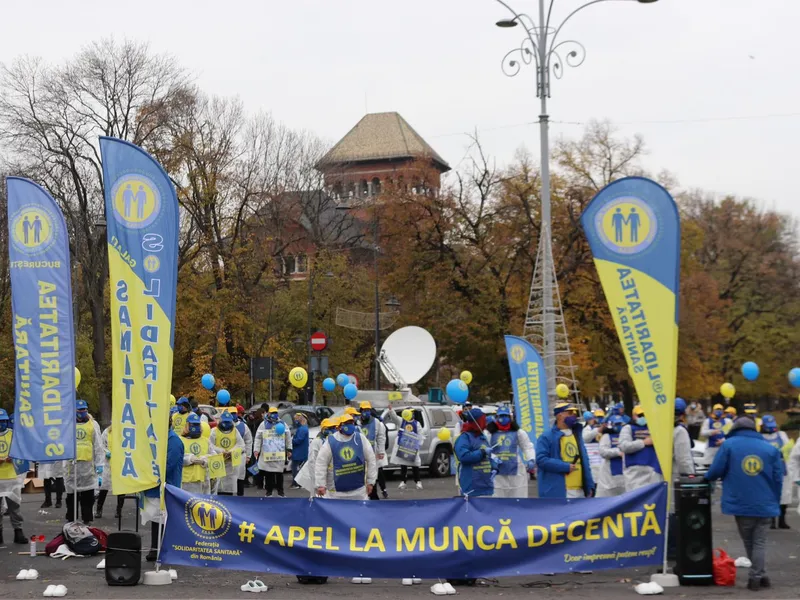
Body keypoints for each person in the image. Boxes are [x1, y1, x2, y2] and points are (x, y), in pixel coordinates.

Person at [705, 417, 782, 591]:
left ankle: (756, 577)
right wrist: (775, 501)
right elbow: (778, 479)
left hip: (741, 501)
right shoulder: (770, 449)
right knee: (759, 542)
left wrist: (707, 478)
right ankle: (760, 576)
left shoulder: (729, 445)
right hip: (765, 503)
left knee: (749, 541)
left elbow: (716, 470)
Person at [143, 410, 184, 562]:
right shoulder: (156, 439)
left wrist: (147, 471)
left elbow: (168, 465)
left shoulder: (173, 441)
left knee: (165, 520)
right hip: (154, 487)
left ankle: (167, 550)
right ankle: (155, 548)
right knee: (156, 519)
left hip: (167, 487)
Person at [535, 403, 594, 498]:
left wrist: (589, 485)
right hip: (560, 491)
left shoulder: (577, 435)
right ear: (559, 415)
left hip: (580, 491)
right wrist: (564, 466)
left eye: (575, 412)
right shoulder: (546, 437)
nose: (574, 414)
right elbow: (541, 460)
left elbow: (585, 461)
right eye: (570, 412)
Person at [314, 414, 376, 500]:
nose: (350, 425)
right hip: (336, 492)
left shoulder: (360, 438)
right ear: (339, 427)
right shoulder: (331, 441)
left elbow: (371, 459)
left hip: (358, 490)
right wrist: (320, 484)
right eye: (346, 423)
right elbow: (321, 463)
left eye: (351, 422)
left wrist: (370, 482)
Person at [65, 400, 104, 524]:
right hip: (72, 468)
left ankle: (87, 521)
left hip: (88, 468)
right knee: (71, 498)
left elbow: (98, 446)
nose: (82, 412)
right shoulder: (68, 424)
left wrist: (100, 465)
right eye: (79, 410)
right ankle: (71, 521)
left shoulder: (93, 425)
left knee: (87, 497)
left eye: (84, 410)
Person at [486, 405, 535, 498]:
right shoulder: (489, 433)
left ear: (510, 417)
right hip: (497, 470)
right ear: (496, 417)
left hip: (515, 469)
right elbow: (485, 448)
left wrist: (531, 459)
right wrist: (493, 458)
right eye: (501, 416)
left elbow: (527, 446)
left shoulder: (518, 432)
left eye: (506, 416)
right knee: (498, 498)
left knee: (518, 495)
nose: (503, 418)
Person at [619, 406, 664, 492]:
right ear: (633, 416)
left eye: (646, 415)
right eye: (640, 415)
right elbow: (623, 446)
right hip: (634, 472)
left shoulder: (655, 428)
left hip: (653, 469)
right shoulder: (628, 428)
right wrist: (643, 443)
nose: (643, 417)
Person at [760, 415, 792, 529]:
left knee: (784, 495)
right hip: (767, 470)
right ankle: (771, 520)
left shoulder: (781, 435)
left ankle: (782, 520)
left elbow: (788, 448)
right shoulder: (759, 437)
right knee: (769, 496)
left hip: (782, 468)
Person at [454, 408, 494, 497]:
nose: (485, 423)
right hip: (471, 488)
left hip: (486, 487)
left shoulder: (482, 436)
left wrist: (494, 466)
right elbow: (463, 456)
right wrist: (482, 452)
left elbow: (488, 457)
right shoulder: (465, 437)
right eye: (483, 420)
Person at [0, 409, 26, 545]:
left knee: (14, 507)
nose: (2, 424)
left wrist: (14, 458)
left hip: (12, 477)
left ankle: (18, 531)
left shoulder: (13, 435)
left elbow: (22, 452)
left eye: (3, 421)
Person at [254, 407, 292, 497]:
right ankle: (269, 492)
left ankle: (280, 492)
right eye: (272, 413)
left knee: (279, 473)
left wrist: (289, 449)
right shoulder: (264, 424)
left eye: (276, 412)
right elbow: (258, 437)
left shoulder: (282, 424)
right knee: (268, 474)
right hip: (267, 453)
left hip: (279, 453)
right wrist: (256, 450)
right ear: (269, 413)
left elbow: (288, 437)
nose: (274, 414)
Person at [385, 406, 424, 490]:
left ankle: (418, 481)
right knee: (403, 466)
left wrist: (418, 445)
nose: (412, 414)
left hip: (412, 447)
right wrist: (391, 410)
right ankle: (403, 482)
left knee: (415, 466)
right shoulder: (401, 421)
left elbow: (421, 435)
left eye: (413, 412)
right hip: (403, 447)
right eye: (410, 412)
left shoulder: (417, 423)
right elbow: (394, 418)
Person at [296, 417, 337, 497]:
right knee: (318, 498)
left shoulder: (332, 441)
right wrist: (317, 482)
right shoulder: (316, 442)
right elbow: (312, 462)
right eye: (330, 428)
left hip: (330, 477)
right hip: (319, 477)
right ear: (323, 429)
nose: (332, 430)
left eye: (333, 428)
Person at [180, 413, 219, 495]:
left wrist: (204, 459)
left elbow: (214, 456)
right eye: (193, 424)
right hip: (187, 481)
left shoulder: (205, 440)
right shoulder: (180, 440)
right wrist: (190, 459)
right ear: (187, 425)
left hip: (203, 479)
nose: (195, 427)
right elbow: (177, 458)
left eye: (197, 424)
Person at [209, 412, 245, 496]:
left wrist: (231, 451)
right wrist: (221, 451)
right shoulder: (214, 431)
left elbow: (241, 445)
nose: (226, 424)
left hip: (230, 463)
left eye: (228, 422)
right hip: (218, 463)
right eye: (225, 422)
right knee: (218, 488)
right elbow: (209, 445)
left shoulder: (235, 431)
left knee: (229, 489)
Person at [358, 402, 388, 500]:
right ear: (361, 411)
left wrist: (381, 451)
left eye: (368, 410)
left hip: (371, 454)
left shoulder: (376, 422)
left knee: (372, 477)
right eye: (364, 410)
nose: (366, 412)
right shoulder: (357, 422)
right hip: (358, 455)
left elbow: (381, 437)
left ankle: (374, 498)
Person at [95, 425, 124, 519]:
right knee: (104, 486)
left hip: (120, 462)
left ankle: (119, 510)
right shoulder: (107, 431)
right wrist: (106, 452)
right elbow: (101, 444)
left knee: (121, 487)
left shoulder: (125, 431)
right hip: (108, 462)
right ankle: (99, 509)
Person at [596, 415, 626, 497]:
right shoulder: (607, 436)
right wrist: (618, 452)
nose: (618, 426)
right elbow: (602, 451)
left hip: (624, 474)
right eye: (616, 424)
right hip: (609, 476)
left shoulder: (626, 436)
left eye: (620, 424)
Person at [233, 407, 253, 496]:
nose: (232, 415)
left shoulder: (243, 426)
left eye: (234, 413)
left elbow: (248, 441)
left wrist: (248, 456)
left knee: (240, 477)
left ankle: (240, 497)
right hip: (226, 457)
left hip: (240, 456)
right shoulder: (221, 427)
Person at [582, 409, 605, 486]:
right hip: (593, 461)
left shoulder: (605, 427)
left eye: (601, 417)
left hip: (603, 459)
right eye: (597, 417)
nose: (599, 419)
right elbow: (585, 438)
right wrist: (597, 430)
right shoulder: (587, 429)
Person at [290, 414, 309, 490]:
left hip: (299, 452)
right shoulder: (303, 428)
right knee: (298, 468)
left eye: (296, 419)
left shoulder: (302, 429)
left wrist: (291, 441)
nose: (295, 421)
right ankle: (296, 483)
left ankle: (296, 483)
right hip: (301, 451)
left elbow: (298, 440)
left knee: (295, 468)